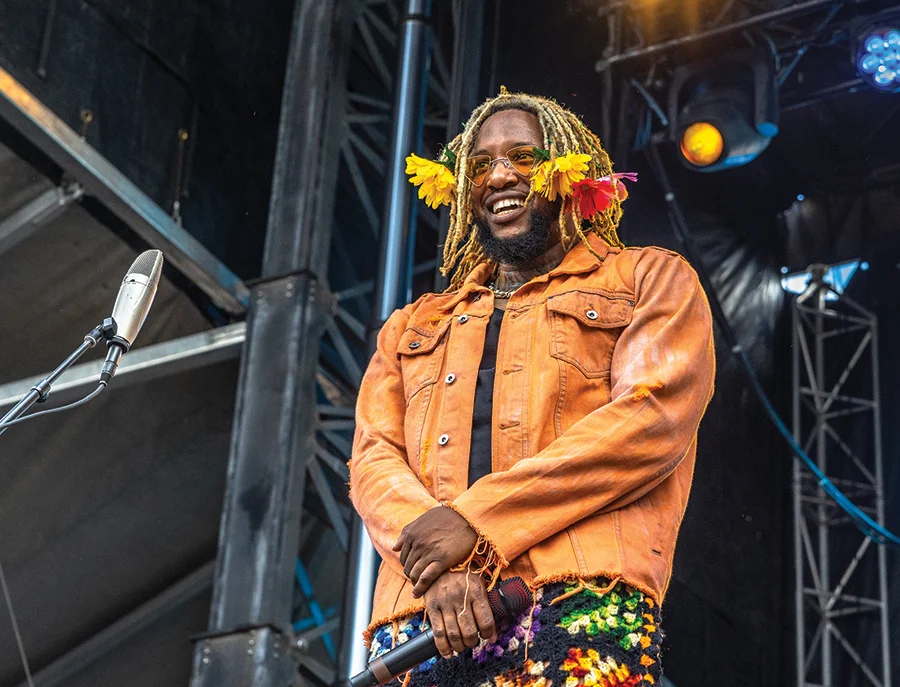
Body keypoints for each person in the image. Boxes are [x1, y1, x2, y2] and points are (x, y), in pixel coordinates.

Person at [349, 89, 715, 687]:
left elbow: (651, 420)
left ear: (570, 172)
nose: (499, 175)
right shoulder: (411, 326)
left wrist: (474, 524)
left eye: (523, 156)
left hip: (577, 600)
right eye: (481, 164)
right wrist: (442, 569)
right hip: (422, 618)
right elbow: (373, 459)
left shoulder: (650, 279)